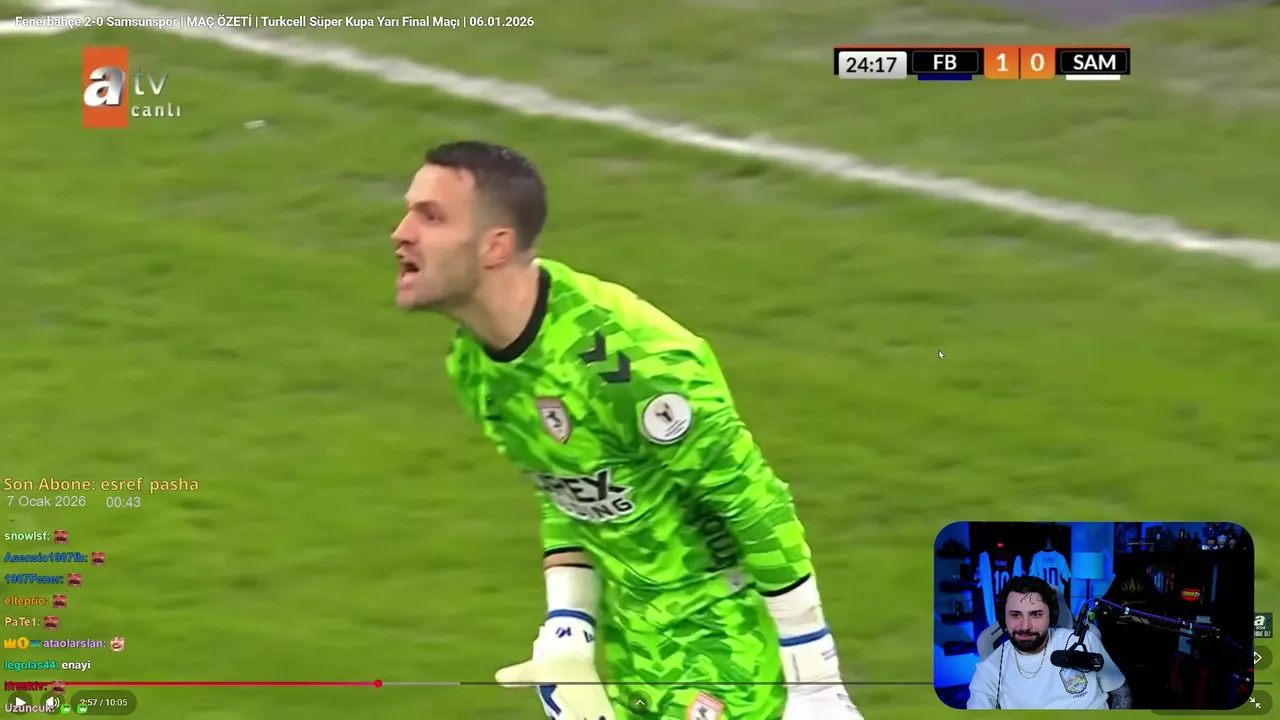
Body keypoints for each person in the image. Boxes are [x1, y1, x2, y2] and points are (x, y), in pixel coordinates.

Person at [393, 140, 861, 720]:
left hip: (733, 657)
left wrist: (814, 681)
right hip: (638, 659)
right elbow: (566, 488)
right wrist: (568, 628)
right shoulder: (477, 367)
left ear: (496, 245)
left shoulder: (626, 360)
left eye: (430, 216)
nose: (401, 233)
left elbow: (755, 503)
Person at [967, 576, 1130, 710]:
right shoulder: (988, 672)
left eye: (1036, 614)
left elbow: (1121, 692)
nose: (1025, 626)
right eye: (1015, 615)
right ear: (1003, 619)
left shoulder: (1084, 641)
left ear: (1051, 617)